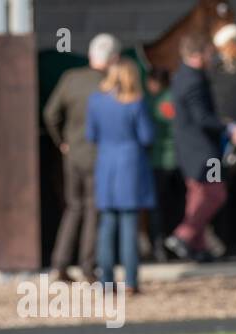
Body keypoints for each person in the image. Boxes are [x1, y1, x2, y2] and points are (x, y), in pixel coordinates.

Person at [166, 32, 236, 262]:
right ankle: (183, 235)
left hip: (189, 150)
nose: (212, 58)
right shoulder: (194, 80)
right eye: (209, 53)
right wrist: (231, 128)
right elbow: (203, 118)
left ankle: (199, 248)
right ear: (198, 54)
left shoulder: (182, 76)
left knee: (197, 196)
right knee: (214, 193)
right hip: (202, 152)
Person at [43, 33, 118, 283]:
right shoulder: (110, 84)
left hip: (72, 154)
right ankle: (88, 267)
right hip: (99, 156)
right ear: (113, 58)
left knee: (73, 208)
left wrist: (62, 141)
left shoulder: (70, 79)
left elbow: (50, 113)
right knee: (93, 210)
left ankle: (60, 264)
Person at [87, 57, 156, 293]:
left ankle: (106, 281)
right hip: (130, 163)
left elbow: (91, 135)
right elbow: (147, 136)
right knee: (129, 224)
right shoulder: (136, 103)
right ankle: (130, 281)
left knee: (107, 224)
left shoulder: (96, 101)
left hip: (106, 163)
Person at [143, 68, 181, 262]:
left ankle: (158, 246)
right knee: (174, 205)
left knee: (157, 207)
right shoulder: (174, 98)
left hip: (158, 160)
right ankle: (173, 244)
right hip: (176, 160)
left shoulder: (155, 100)